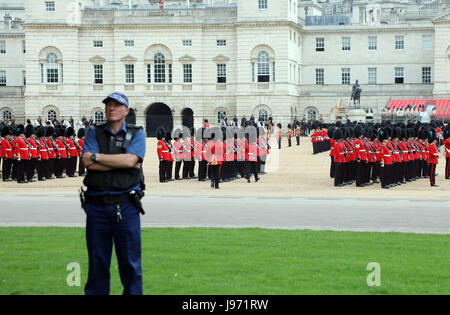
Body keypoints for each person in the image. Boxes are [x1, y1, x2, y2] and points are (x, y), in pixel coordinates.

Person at [81, 92, 146, 295]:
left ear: (126, 110)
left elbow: (131, 161)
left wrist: (98, 158)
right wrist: (122, 163)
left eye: (117, 105)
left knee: (130, 264)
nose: (111, 108)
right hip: (97, 205)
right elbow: (88, 163)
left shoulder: (137, 133)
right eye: (108, 104)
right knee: (97, 264)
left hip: (125, 205)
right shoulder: (94, 132)